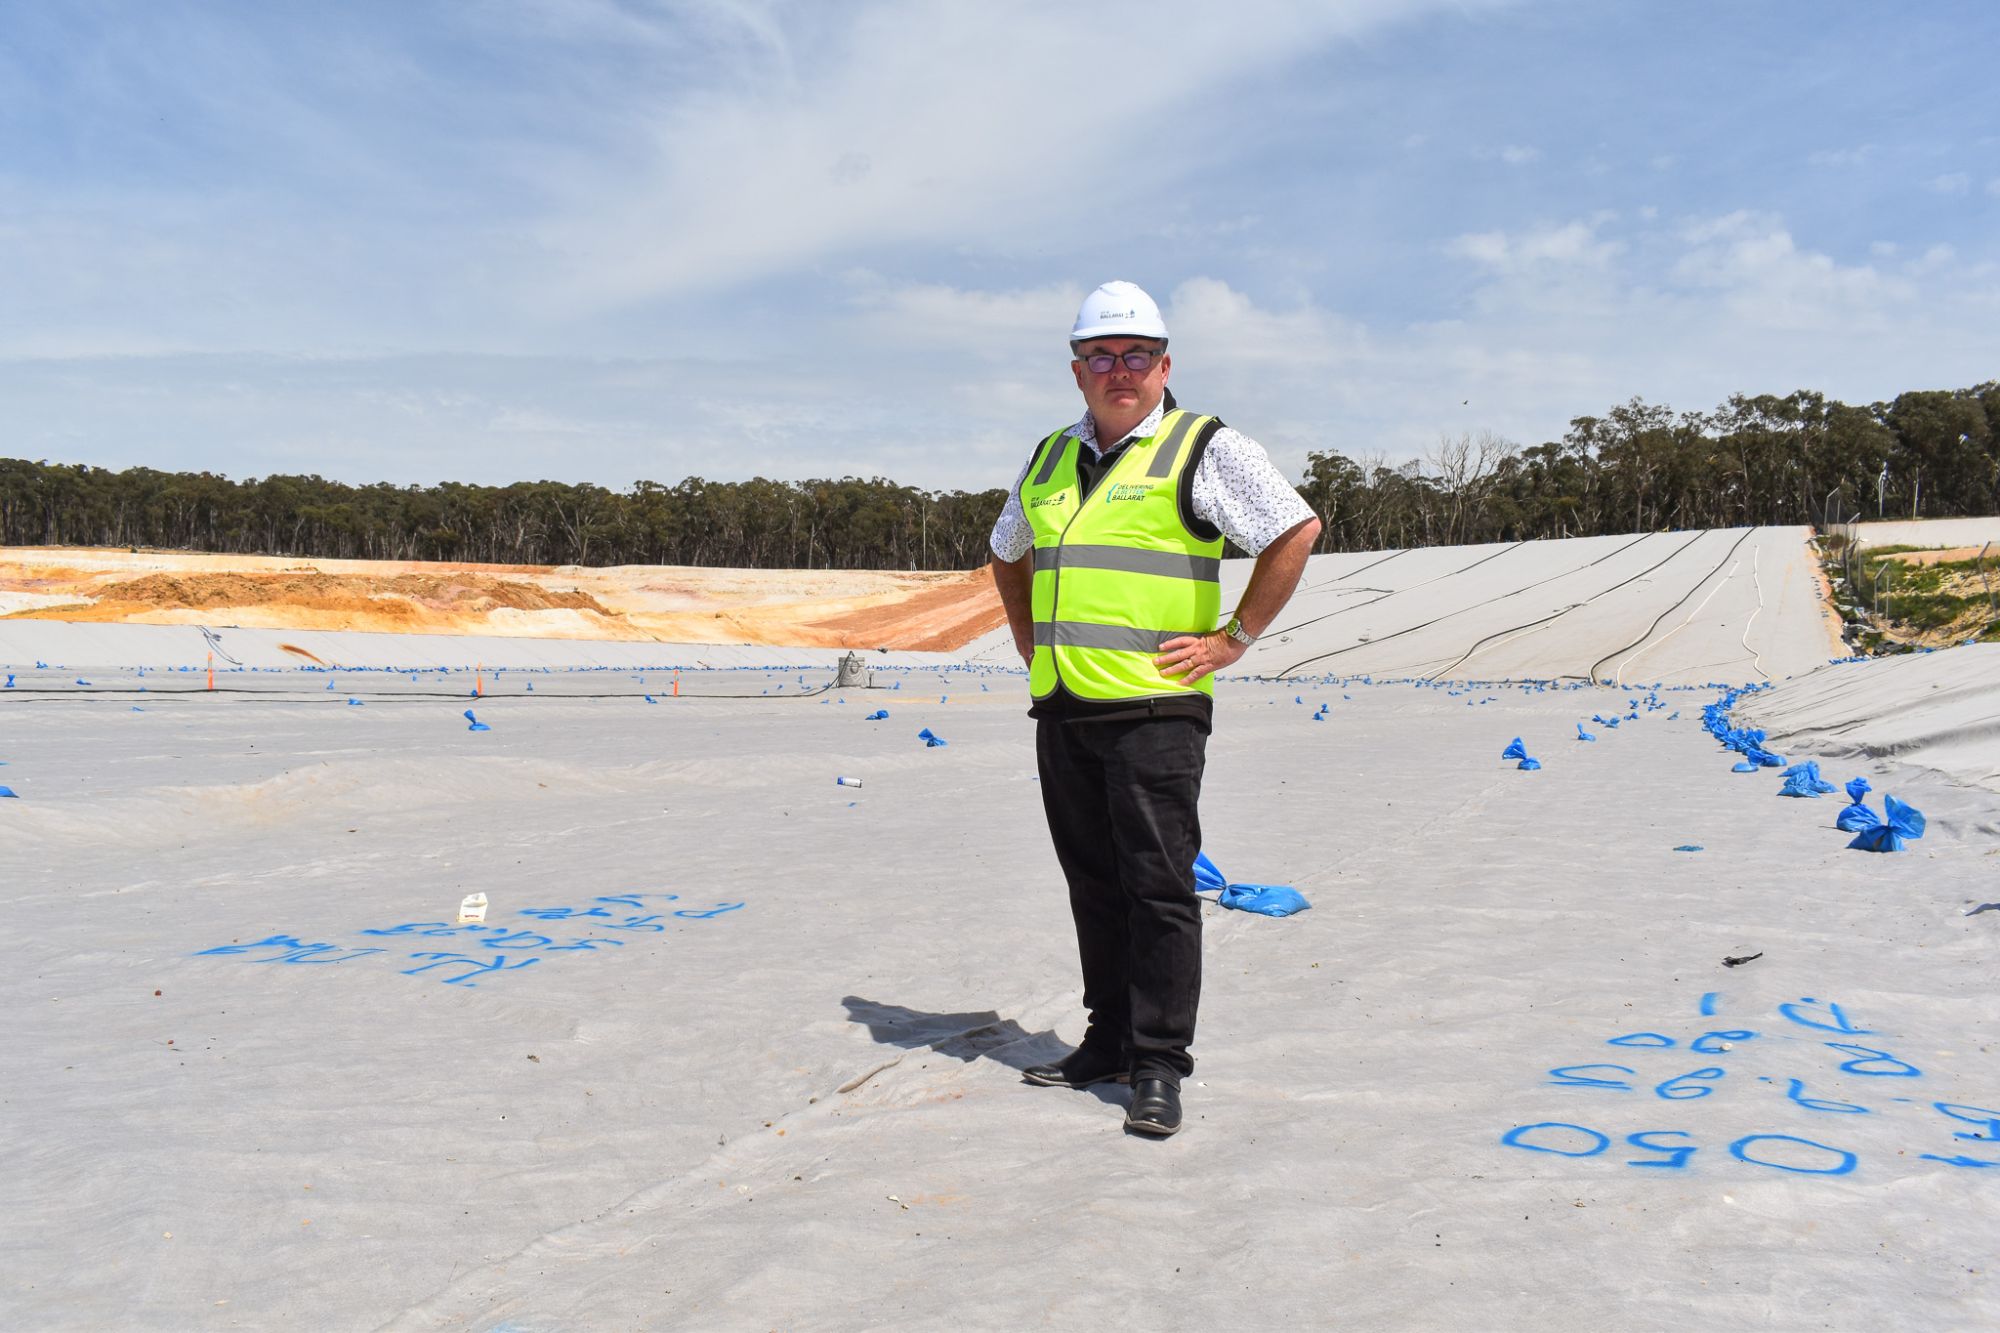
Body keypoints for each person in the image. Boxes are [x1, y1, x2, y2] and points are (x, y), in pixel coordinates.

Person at [989, 280, 1321, 1137]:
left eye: (1136, 355)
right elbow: (1005, 549)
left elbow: (1294, 529)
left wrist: (1233, 637)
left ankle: (1161, 1062)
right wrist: (1029, 637)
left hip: (1157, 711)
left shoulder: (1202, 447)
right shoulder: (1051, 455)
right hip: (1063, 707)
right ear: (1077, 372)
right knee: (1092, 883)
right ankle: (1106, 1041)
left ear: (1164, 365)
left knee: (1159, 886)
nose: (1119, 371)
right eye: (1101, 356)